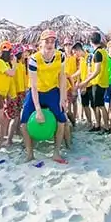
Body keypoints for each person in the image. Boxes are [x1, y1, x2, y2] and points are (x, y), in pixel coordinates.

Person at [20, 29, 68, 163]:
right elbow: (34, 86)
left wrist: (62, 98)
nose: (50, 44)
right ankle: (30, 153)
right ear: (41, 43)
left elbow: (62, 77)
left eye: (52, 41)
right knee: (23, 123)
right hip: (36, 92)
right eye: (47, 41)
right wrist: (38, 110)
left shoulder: (61, 56)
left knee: (62, 120)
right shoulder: (34, 59)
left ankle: (56, 153)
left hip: (52, 91)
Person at [78, 32, 110, 133]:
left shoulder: (98, 53)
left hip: (98, 82)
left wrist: (85, 81)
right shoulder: (103, 51)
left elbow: (97, 71)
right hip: (102, 81)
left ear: (91, 42)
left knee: (100, 106)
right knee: (98, 105)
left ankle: (106, 126)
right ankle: (98, 125)